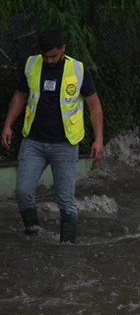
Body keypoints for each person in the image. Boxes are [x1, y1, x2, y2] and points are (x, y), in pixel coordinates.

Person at [1, 29, 105, 243]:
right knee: (23, 192)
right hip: (34, 142)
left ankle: (67, 247)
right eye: (46, 56)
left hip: (65, 145)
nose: (49, 60)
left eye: (54, 56)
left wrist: (99, 139)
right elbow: (21, 95)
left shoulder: (77, 69)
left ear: (63, 49)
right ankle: (33, 232)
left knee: (65, 200)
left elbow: (94, 105)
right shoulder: (32, 64)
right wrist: (8, 124)